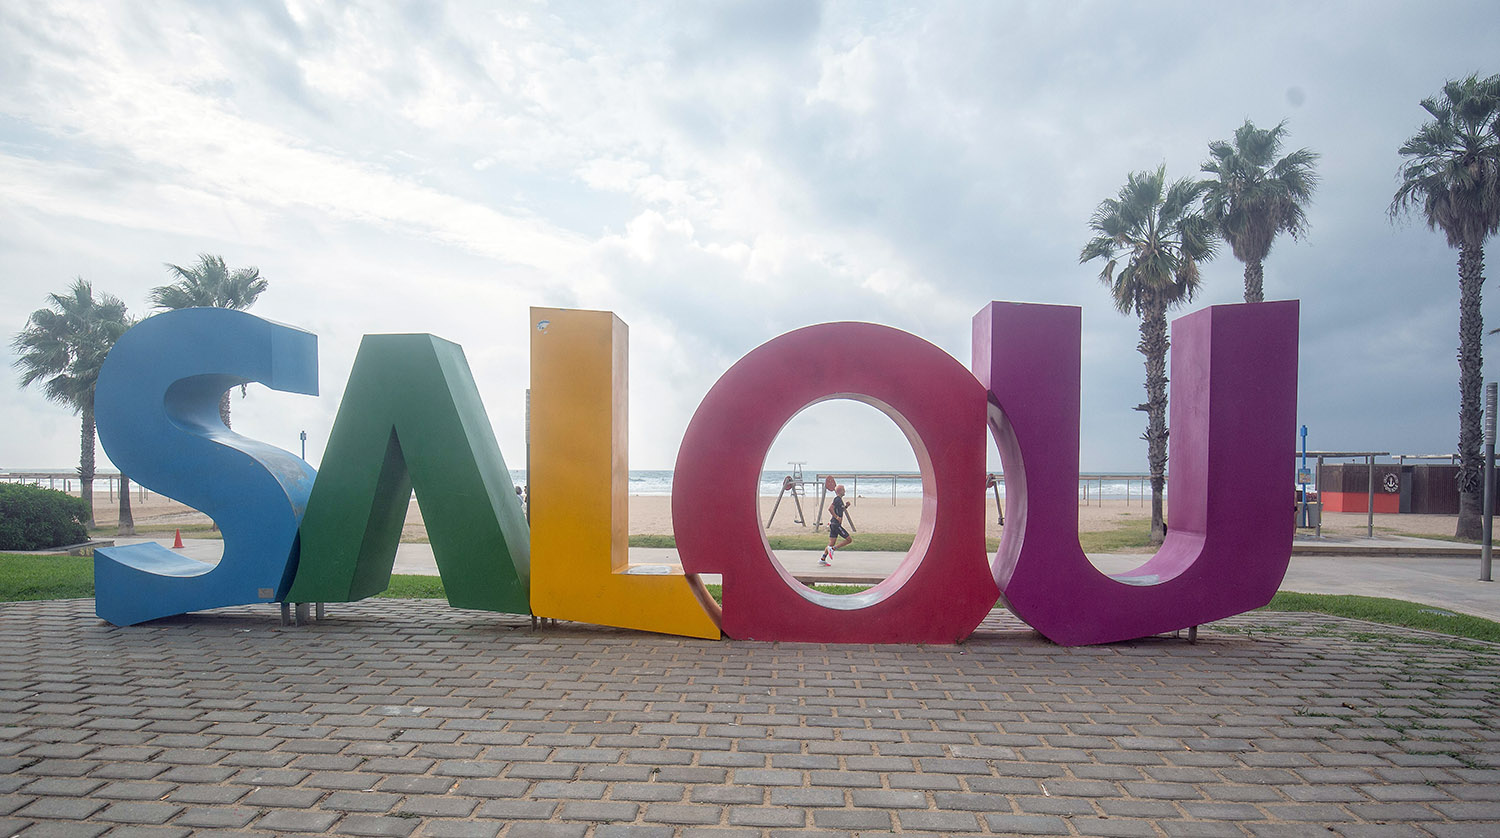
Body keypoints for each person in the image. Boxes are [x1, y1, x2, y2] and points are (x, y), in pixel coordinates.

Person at [821, 485, 852, 565]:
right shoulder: (837, 499)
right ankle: (833, 549)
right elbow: (830, 508)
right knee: (849, 540)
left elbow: (840, 510)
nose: (844, 491)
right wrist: (837, 517)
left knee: (831, 544)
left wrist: (846, 506)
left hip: (833, 524)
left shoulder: (839, 500)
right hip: (836, 524)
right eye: (843, 490)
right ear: (840, 491)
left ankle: (823, 558)